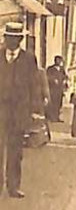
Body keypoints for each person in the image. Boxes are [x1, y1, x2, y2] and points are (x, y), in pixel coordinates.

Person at [0, 20, 43, 197]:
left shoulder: (28, 59)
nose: (12, 42)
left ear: (20, 40)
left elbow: (35, 85)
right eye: (9, 38)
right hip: (1, 109)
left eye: (15, 39)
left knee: (15, 150)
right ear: (4, 38)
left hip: (19, 111)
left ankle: (13, 186)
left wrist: (35, 110)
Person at [46, 55, 68, 122]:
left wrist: (65, 81)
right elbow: (47, 77)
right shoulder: (50, 69)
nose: (59, 62)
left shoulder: (62, 69)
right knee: (53, 103)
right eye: (58, 60)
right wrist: (53, 80)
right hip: (53, 89)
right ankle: (52, 117)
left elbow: (65, 76)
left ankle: (57, 117)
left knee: (59, 104)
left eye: (60, 61)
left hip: (60, 89)